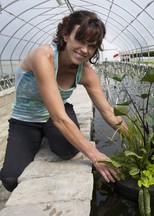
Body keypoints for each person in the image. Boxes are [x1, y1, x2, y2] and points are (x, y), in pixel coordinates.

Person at [0, 10, 127, 192]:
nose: (85, 50)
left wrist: (137, 140)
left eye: (91, 46)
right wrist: (96, 156)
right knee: (11, 178)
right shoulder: (43, 56)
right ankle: (38, 136)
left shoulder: (86, 73)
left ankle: (48, 133)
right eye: (80, 40)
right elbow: (59, 119)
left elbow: (108, 112)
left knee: (67, 151)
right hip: (26, 119)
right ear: (66, 35)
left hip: (57, 113)